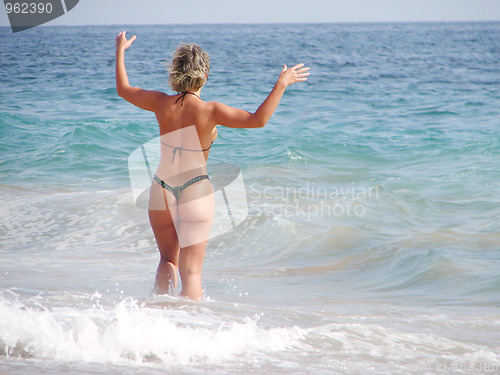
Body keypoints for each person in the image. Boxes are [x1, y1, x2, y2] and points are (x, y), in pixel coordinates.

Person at [115, 31, 310, 300]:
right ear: (204, 76)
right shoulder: (210, 110)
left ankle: (155, 317)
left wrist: (120, 51)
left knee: (167, 261)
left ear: (175, 73)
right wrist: (281, 84)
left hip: (161, 188)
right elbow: (258, 120)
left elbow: (123, 90)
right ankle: (192, 330)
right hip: (195, 188)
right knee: (192, 273)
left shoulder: (160, 102)